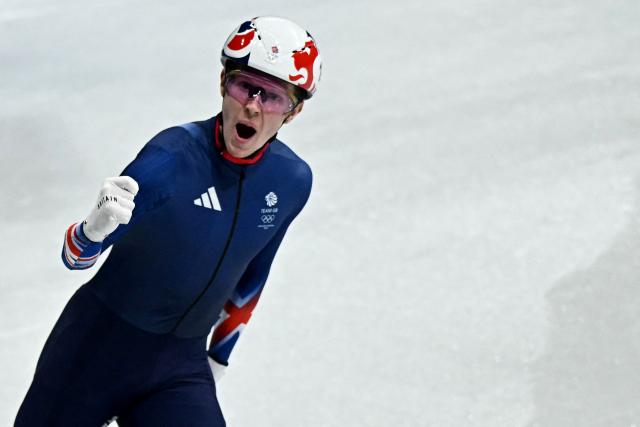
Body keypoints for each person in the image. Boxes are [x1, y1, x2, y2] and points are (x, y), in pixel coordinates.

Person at [15, 16, 322, 427]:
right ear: (222, 83)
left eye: (271, 97)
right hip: (92, 353)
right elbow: (75, 258)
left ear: (294, 111)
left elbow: (253, 275)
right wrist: (92, 229)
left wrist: (218, 359)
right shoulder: (169, 158)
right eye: (244, 86)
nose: (252, 105)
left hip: (178, 368)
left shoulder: (291, 181)